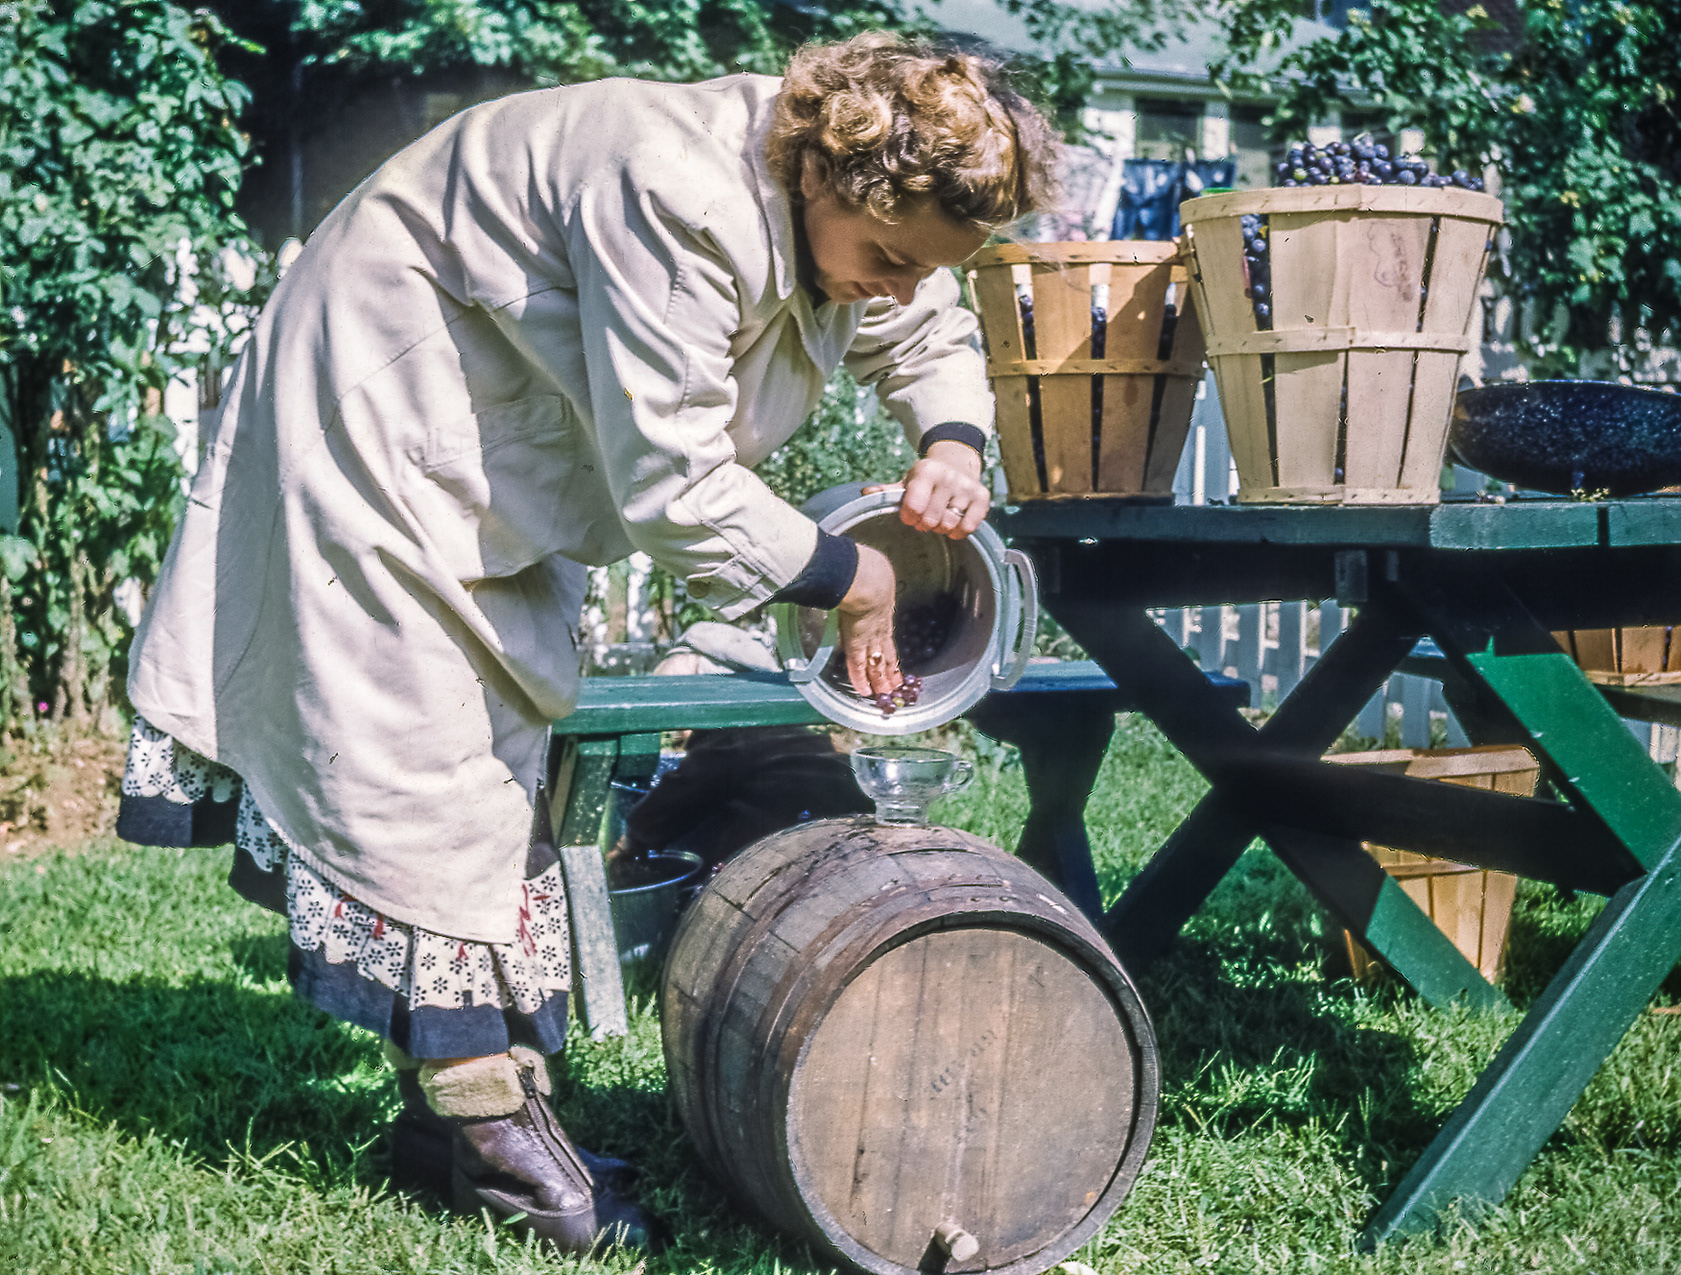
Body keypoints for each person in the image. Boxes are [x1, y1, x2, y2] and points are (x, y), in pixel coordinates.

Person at [114, 32, 1057, 1254]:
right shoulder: (676, 191)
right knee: (419, 770)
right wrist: (848, 578)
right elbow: (675, 485)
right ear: (831, 176)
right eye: (886, 255)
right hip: (378, 414)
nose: (895, 284)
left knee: (498, 760)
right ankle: (493, 1129)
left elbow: (919, 325)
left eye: (921, 264)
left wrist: (951, 443)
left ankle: (444, 1134)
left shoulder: (856, 220)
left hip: (493, 447)